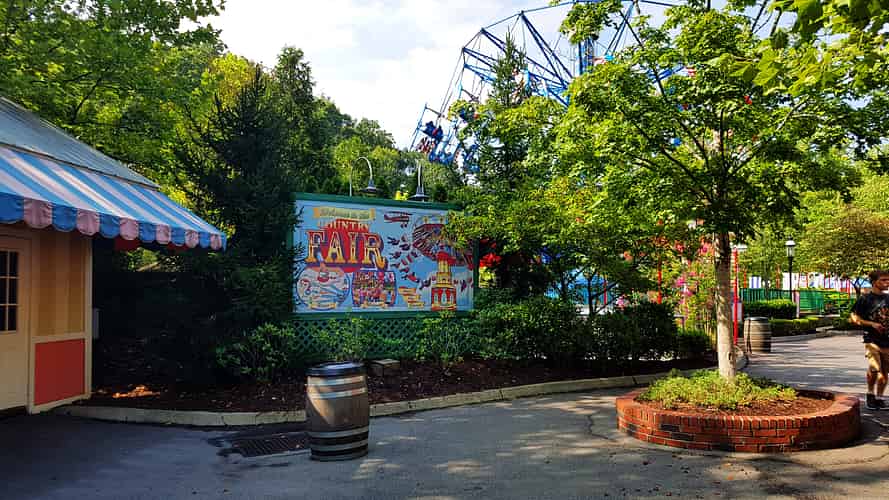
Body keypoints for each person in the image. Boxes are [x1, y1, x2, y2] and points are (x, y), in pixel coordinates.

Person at [850, 270, 889, 410]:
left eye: (888, 280)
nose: (887, 282)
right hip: (871, 339)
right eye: (883, 280)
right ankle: (870, 394)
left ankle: (879, 398)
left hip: (887, 341)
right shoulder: (865, 299)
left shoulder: (888, 298)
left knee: (884, 372)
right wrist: (871, 324)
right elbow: (854, 318)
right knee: (874, 367)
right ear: (874, 282)